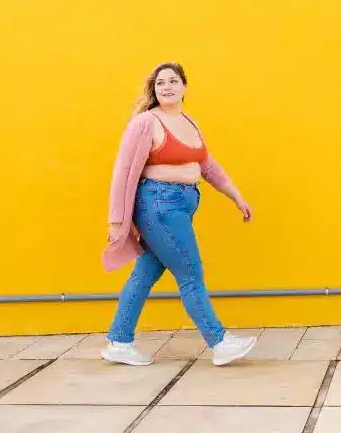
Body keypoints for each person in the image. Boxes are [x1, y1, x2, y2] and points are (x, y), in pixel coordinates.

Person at [101, 62, 257, 367]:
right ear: (154, 89)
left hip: (181, 205)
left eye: (173, 81)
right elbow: (122, 172)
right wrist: (117, 220)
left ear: (185, 86)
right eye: (161, 83)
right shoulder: (146, 123)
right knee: (190, 272)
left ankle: (119, 340)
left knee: (146, 272)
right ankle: (219, 341)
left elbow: (208, 166)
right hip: (159, 204)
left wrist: (236, 196)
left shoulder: (189, 122)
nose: (167, 87)